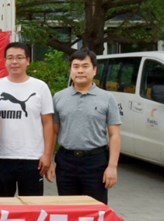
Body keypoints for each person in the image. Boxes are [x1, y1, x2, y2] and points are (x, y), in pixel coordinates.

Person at [47, 48, 121, 204]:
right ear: (70, 70)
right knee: (68, 209)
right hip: (66, 161)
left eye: (85, 66)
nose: (80, 70)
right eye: (76, 66)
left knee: (95, 210)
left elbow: (114, 135)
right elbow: (54, 132)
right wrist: (49, 160)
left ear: (94, 70)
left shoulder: (107, 98)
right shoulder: (59, 97)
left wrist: (112, 167)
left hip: (96, 162)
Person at [0, 42, 54, 197]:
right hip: (2, 158)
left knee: (32, 206)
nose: (15, 62)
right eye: (10, 58)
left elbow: (48, 123)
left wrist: (47, 155)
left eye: (19, 57)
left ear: (28, 61)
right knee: (2, 206)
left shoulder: (40, 87)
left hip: (32, 158)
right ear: (5, 61)